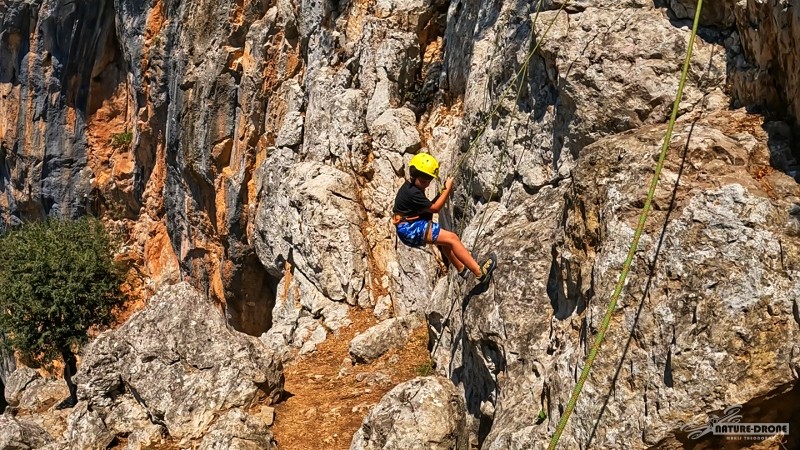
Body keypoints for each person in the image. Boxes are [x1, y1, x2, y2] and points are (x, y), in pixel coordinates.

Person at [392, 152, 497, 284]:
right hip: (410, 228)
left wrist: (441, 193)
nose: (427, 185)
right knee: (452, 238)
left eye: (429, 181)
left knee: (445, 241)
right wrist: (447, 189)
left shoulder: (412, 187)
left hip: (408, 226)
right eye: (423, 181)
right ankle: (480, 273)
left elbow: (427, 205)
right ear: (413, 176)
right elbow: (435, 208)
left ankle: (461, 268)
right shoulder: (412, 192)